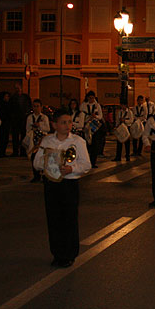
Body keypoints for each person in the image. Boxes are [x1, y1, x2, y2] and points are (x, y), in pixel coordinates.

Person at [33, 109, 91, 268]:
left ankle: (69, 254)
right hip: (51, 184)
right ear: (54, 125)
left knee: (69, 219)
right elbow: (37, 162)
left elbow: (86, 165)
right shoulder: (47, 141)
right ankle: (57, 253)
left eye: (69, 122)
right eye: (63, 122)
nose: (67, 126)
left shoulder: (78, 142)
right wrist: (46, 164)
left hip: (69, 184)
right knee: (54, 219)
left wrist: (72, 169)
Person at [26, 99, 51, 183]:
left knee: (43, 158)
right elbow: (27, 129)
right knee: (34, 157)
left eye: (37, 106)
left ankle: (44, 175)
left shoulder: (44, 117)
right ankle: (36, 175)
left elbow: (48, 129)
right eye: (34, 106)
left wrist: (39, 125)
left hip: (42, 140)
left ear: (41, 107)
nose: (36, 108)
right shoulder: (30, 117)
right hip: (33, 140)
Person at [80, 91, 103, 168]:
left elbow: (100, 116)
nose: (91, 99)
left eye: (93, 98)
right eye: (90, 98)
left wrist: (95, 116)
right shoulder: (83, 105)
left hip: (94, 126)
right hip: (86, 125)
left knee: (95, 144)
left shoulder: (97, 105)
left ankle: (93, 162)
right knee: (86, 144)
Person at [9, 82, 31, 157]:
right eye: (16, 88)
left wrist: (27, 113)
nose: (17, 90)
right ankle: (15, 151)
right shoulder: (13, 98)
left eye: (18, 88)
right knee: (15, 136)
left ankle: (23, 151)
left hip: (23, 119)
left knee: (23, 135)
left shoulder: (26, 97)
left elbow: (29, 106)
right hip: (15, 119)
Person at [0, 91, 12, 158]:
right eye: (6, 96)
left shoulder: (8, 104)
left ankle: (2, 152)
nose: (8, 98)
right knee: (2, 139)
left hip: (6, 124)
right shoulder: (1, 105)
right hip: (2, 124)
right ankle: (1, 152)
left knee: (5, 138)